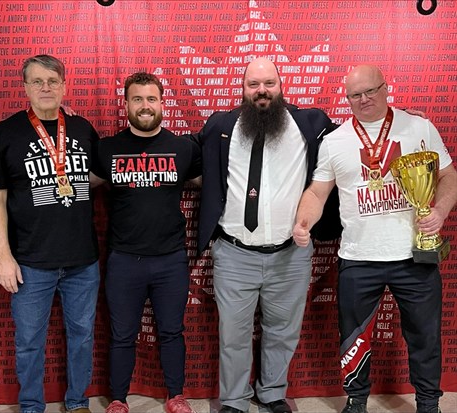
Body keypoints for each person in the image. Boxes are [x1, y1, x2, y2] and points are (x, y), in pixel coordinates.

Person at [292, 65, 457, 413]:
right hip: (358, 256)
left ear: (385, 88)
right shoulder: (335, 141)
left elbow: (448, 175)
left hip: (413, 254)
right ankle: (356, 401)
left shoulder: (419, 127)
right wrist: (303, 221)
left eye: (370, 90)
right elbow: (318, 192)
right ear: (347, 98)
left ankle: (429, 404)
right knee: (353, 337)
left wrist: (440, 211)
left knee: (425, 336)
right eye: (355, 94)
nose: (364, 99)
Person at [194, 57, 341, 413]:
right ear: (243, 88)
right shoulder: (220, 125)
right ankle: (233, 401)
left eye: (269, 83)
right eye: (253, 84)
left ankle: (273, 393)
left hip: (291, 253)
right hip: (234, 253)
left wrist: (395, 119)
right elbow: (183, 150)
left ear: (281, 85)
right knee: (233, 335)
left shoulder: (311, 124)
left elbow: (357, 138)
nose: (262, 91)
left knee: (283, 331)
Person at [0, 55, 100, 413]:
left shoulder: (83, 129)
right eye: (37, 81)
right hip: (30, 262)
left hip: (83, 260)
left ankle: (78, 402)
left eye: (52, 80)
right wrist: (3, 256)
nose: (45, 87)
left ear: (64, 85)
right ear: (25, 87)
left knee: (82, 337)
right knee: (29, 342)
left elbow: (95, 178)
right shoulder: (6, 133)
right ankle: (32, 406)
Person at [92, 72, 201, 413]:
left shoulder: (183, 148)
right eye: (137, 99)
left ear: (162, 104)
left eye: (151, 99)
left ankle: (175, 395)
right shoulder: (107, 149)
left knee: (172, 331)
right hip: (124, 259)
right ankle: (118, 399)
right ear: (126, 104)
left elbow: (212, 187)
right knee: (122, 334)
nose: (144, 105)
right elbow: (80, 191)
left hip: (171, 259)